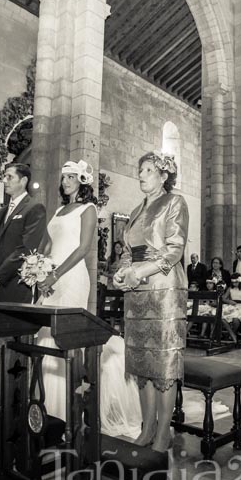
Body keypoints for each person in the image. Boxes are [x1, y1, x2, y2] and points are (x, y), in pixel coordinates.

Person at [33, 160, 142, 438]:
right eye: (64, 177)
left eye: (71, 177)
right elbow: (47, 244)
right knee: (45, 334)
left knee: (67, 337)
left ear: (82, 181)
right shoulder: (58, 210)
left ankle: (73, 405)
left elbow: (82, 249)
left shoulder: (89, 208)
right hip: (49, 277)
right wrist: (36, 267)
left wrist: (53, 275)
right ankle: (47, 407)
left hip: (69, 278)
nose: (66, 181)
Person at [112, 151, 189, 453]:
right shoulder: (134, 211)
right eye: (140, 169)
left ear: (163, 176)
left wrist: (140, 271)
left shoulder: (175, 203)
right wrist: (121, 273)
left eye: (147, 170)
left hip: (164, 289)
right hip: (137, 292)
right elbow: (127, 253)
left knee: (164, 363)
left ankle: (163, 432)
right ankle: (147, 429)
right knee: (143, 361)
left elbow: (174, 250)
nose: (141, 174)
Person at [0, 163, 46, 302]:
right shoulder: (2, 212)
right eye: (4, 176)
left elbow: (26, 249)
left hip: (14, 283)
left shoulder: (34, 208)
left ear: (23, 181)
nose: (4, 181)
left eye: (9, 177)